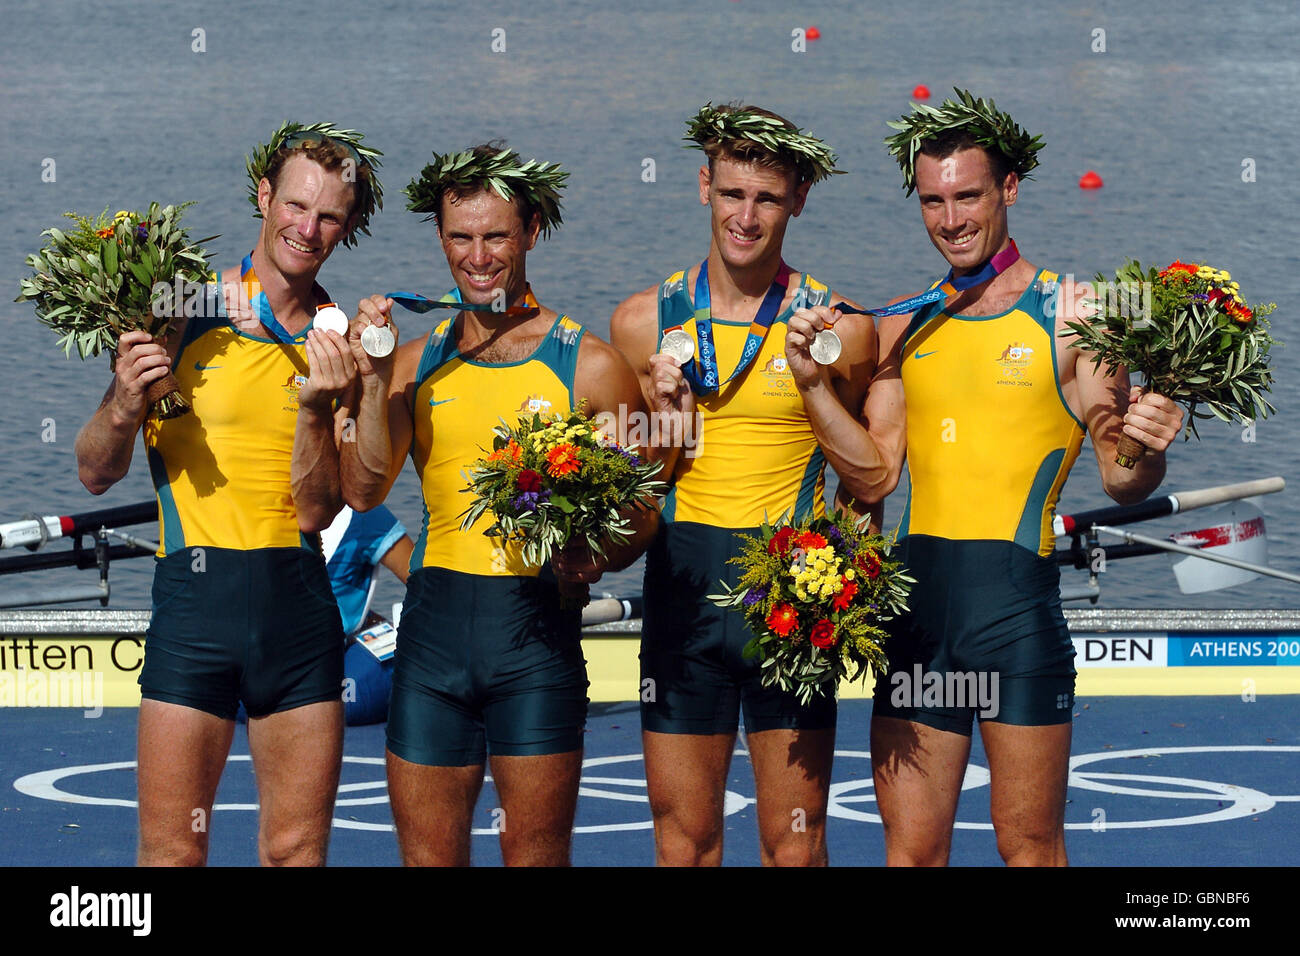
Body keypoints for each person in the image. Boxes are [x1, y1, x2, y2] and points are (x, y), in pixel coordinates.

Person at [869, 90, 1185, 865]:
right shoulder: (898, 326)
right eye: (934, 202)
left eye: (969, 195)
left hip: (1016, 623)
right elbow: (871, 481)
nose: (952, 220)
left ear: (1008, 189)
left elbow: (1121, 477)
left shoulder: (1078, 320)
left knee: (1032, 848)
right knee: (912, 853)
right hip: (917, 626)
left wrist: (1151, 439)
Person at [339, 143, 658, 866]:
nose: (478, 257)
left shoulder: (592, 365)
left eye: (495, 236)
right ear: (441, 239)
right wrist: (370, 381)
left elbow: (643, 514)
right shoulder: (415, 362)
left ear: (531, 232)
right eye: (460, 237)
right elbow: (361, 492)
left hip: (535, 641)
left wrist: (591, 554)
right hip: (431, 641)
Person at [74, 121, 383, 866]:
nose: (307, 230)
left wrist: (321, 403)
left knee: (293, 853)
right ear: (264, 194)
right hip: (194, 609)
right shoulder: (181, 310)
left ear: (347, 228)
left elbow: (320, 511)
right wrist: (122, 404)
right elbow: (94, 471)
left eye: (330, 216)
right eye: (296, 205)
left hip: (299, 614)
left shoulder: (345, 347)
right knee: (172, 856)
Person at [609, 103, 896, 866]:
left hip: (791, 595)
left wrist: (814, 389)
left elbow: (870, 481)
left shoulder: (839, 328)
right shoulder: (642, 322)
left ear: (798, 199)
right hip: (684, 591)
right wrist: (665, 428)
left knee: (794, 849)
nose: (747, 215)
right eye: (733, 193)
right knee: (684, 844)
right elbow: (633, 491)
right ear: (704, 186)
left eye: (767, 198)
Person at [323, 503, 413, 726]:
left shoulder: (255, 504)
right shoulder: (363, 516)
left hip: (255, 679)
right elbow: (423, 585)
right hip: (339, 690)